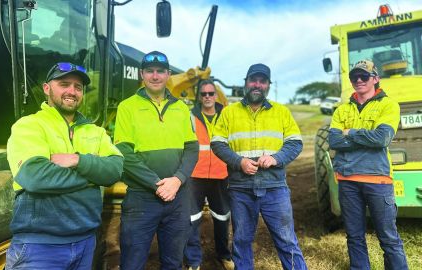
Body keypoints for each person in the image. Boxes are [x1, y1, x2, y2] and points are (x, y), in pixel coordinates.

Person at [5, 62, 124, 270]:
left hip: (86, 243)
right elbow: (35, 177)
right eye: (64, 84)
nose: (72, 91)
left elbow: (115, 169)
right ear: (47, 88)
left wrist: (78, 160)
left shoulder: (96, 131)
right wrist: (94, 175)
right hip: (39, 248)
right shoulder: (30, 125)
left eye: (78, 87)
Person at [211, 63, 307, 270]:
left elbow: (295, 143)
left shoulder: (281, 112)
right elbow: (217, 143)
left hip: (275, 188)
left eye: (262, 81)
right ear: (245, 83)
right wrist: (239, 162)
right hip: (241, 189)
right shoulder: (229, 113)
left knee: (287, 241)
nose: (257, 85)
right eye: (253, 80)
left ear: (268, 85)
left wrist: (276, 158)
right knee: (242, 241)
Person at [114, 51, 199, 270]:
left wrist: (177, 180)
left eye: (160, 71)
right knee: (132, 263)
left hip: (178, 199)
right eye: (149, 71)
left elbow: (192, 149)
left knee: (173, 263)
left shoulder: (181, 108)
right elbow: (124, 152)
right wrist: (158, 184)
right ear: (142, 74)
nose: (155, 76)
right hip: (142, 199)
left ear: (168, 74)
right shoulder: (127, 107)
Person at [328, 59, 408, 270]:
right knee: (354, 237)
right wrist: (364, 138)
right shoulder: (341, 110)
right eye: (355, 76)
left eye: (364, 76)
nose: (359, 80)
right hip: (347, 181)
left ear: (375, 78)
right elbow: (334, 141)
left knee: (388, 238)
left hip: (378, 181)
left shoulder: (388, 105)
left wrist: (351, 133)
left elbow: (382, 139)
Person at [184, 80, 234, 270]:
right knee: (192, 218)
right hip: (195, 175)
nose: (207, 97)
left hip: (221, 175)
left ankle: (224, 254)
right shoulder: (190, 117)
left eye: (210, 93)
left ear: (216, 95)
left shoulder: (226, 116)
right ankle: (193, 260)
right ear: (199, 97)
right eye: (203, 94)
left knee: (222, 218)